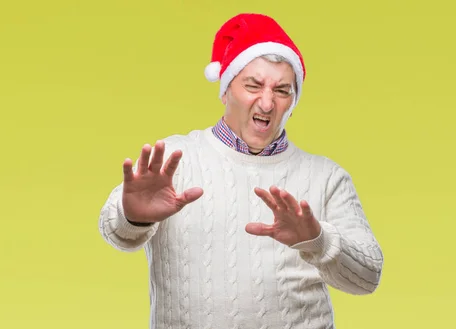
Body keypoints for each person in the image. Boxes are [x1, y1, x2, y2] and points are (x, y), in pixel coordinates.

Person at [98, 13, 383, 329]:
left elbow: (368, 276)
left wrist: (317, 241)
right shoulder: (174, 159)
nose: (266, 102)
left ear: (293, 101)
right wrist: (134, 215)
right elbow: (115, 232)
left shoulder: (326, 177)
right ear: (225, 90)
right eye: (253, 85)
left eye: (282, 90)